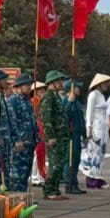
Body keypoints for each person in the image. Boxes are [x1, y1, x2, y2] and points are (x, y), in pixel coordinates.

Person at [39, 71, 70, 200]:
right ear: (52, 82)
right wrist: (50, 136)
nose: (62, 83)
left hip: (61, 135)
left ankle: (55, 189)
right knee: (54, 164)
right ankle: (49, 190)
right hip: (54, 136)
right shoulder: (48, 97)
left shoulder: (55, 96)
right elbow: (46, 118)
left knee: (60, 164)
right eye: (59, 81)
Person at [80, 73, 110, 190]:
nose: (107, 85)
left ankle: (98, 177)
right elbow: (89, 113)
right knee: (93, 153)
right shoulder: (93, 95)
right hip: (95, 128)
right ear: (99, 84)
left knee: (100, 154)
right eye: (105, 83)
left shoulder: (101, 95)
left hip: (103, 128)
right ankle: (92, 178)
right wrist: (88, 127)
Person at [6, 74, 39, 192]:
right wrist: (16, 140)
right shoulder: (13, 101)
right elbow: (12, 122)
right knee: (17, 175)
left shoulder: (28, 102)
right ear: (19, 86)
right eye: (26, 85)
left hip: (29, 143)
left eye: (30, 85)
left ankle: (23, 197)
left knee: (25, 174)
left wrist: (36, 137)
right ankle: (16, 197)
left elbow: (32, 120)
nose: (29, 87)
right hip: (20, 144)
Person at [63, 79, 87, 194]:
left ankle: (74, 183)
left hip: (77, 135)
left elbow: (81, 118)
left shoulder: (77, 102)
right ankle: (69, 184)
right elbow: (65, 115)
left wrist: (84, 133)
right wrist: (69, 102)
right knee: (70, 160)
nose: (79, 89)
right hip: (70, 135)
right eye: (77, 87)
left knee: (76, 160)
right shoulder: (66, 101)